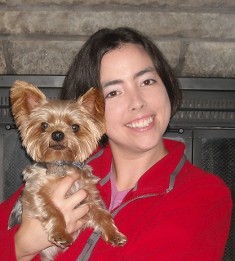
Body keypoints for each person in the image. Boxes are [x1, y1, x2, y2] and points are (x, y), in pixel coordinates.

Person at [0, 27, 232, 261]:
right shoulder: (61, 171)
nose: (137, 102)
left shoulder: (203, 195)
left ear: (167, 85)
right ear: (91, 113)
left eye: (147, 81)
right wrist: (22, 245)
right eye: (113, 92)